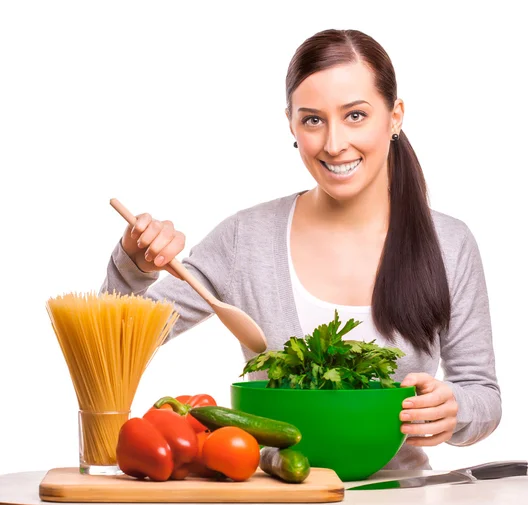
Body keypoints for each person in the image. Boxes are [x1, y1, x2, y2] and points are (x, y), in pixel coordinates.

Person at [101, 28, 501, 470]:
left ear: (395, 116)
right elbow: (114, 342)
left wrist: (454, 409)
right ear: (291, 122)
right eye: (313, 119)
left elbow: (482, 392)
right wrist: (133, 265)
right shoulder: (245, 240)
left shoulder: (450, 243)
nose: (333, 144)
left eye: (355, 116)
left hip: (400, 496)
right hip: (273, 493)